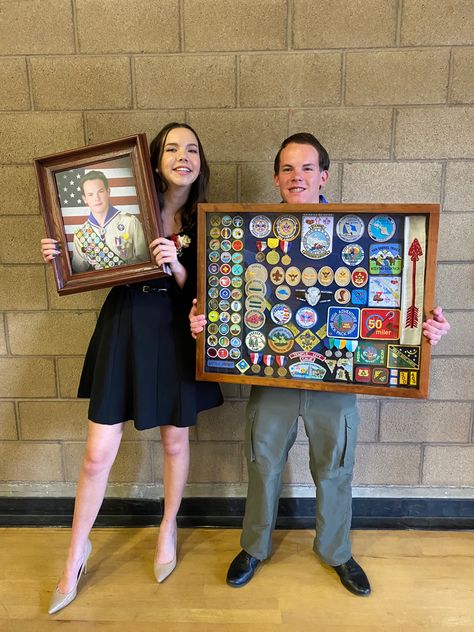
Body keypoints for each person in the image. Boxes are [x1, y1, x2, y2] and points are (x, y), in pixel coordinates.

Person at [190, 132, 450, 597]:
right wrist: (205, 321)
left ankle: (336, 551)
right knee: (263, 461)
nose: (297, 177)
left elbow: (397, 295)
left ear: (323, 176)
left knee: (335, 465)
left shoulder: (361, 235)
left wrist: (422, 329)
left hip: (336, 376)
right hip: (272, 375)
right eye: (288, 169)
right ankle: (253, 546)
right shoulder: (252, 236)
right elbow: (225, 298)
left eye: (307, 168)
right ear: (276, 178)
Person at [40, 122, 223, 614]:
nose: (182, 156)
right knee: (97, 453)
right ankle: (77, 552)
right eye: (171, 148)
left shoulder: (211, 220)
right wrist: (61, 252)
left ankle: (168, 526)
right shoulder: (128, 211)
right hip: (123, 325)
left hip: (172, 331)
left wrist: (178, 266)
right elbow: (87, 257)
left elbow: (214, 293)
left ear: (201, 161)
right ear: (155, 159)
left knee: (174, 439)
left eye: (192, 148)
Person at [71, 169, 148, 273]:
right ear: (84, 199)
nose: (96, 198)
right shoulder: (81, 234)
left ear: (108, 192)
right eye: (90, 194)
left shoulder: (130, 222)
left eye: (100, 191)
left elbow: (145, 260)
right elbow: (77, 272)